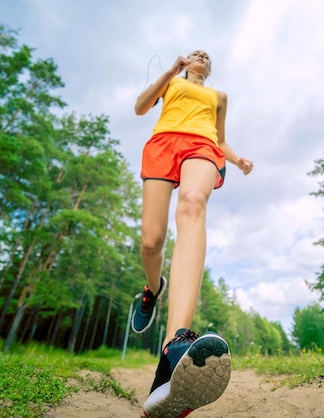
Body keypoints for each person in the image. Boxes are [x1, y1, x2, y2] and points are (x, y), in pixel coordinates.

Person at [131, 50, 253, 418]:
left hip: (202, 147)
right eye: (194, 52)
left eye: (205, 55)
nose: (199, 55)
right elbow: (140, 107)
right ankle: (153, 289)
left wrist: (237, 159)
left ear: (209, 67)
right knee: (151, 242)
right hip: (163, 142)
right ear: (186, 62)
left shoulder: (219, 97)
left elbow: (220, 137)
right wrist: (171, 71)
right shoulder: (172, 82)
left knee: (192, 206)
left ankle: (174, 349)